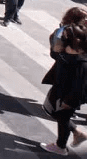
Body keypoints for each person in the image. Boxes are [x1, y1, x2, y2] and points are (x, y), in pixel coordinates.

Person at [40, 23, 87, 155]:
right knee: (55, 113)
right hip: (59, 89)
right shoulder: (64, 54)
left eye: (63, 39)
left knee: (63, 117)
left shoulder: (82, 65)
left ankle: (60, 146)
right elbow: (54, 51)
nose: (60, 41)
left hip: (68, 96)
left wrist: (69, 102)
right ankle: (77, 133)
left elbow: (79, 88)